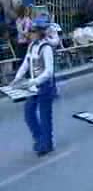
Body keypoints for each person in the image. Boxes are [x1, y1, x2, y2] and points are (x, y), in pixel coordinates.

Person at [11, 17, 56, 156]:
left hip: (44, 86)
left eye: (33, 31)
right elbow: (26, 63)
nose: (30, 33)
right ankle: (39, 138)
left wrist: (33, 82)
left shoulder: (46, 47)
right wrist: (16, 79)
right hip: (33, 86)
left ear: (40, 32)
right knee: (29, 114)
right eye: (31, 30)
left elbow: (49, 71)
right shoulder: (32, 46)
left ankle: (47, 144)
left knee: (44, 116)